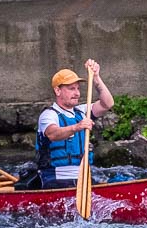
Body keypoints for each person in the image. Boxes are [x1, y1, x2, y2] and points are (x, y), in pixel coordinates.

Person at [35, 59, 114, 189]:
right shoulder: (49, 115)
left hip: (83, 176)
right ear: (58, 91)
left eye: (78, 88)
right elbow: (52, 134)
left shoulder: (82, 112)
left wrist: (96, 78)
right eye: (71, 89)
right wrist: (76, 127)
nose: (77, 93)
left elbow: (107, 104)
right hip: (55, 178)